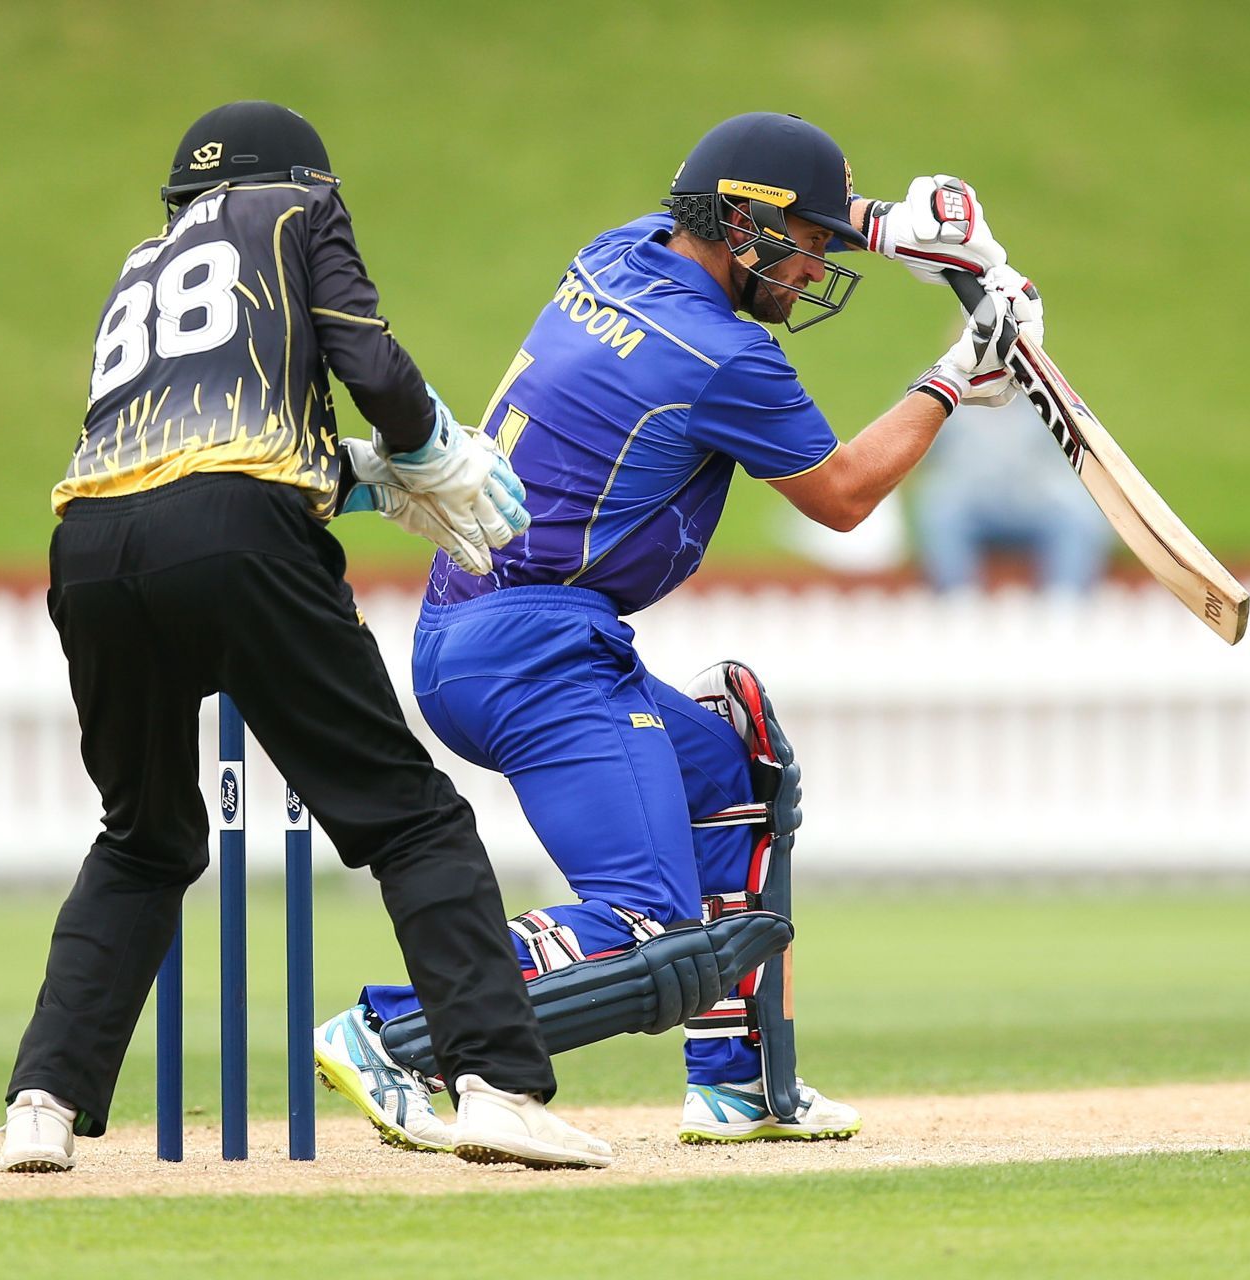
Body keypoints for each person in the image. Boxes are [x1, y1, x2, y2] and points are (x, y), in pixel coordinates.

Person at [311, 112, 1042, 1148]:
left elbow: (755, 205)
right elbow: (840, 497)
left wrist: (902, 226)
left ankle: (738, 1083)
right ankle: (393, 1031)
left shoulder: (619, 251)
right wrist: (957, 372)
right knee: (644, 923)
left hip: (482, 622)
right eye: (810, 247)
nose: (812, 270)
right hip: (537, 650)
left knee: (732, 773)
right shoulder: (724, 355)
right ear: (742, 230)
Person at [0, 100, 612, 1173]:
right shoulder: (295, 212)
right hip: (239, 534)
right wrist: (427, 446)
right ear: (305, 181)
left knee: (142, 836)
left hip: (89, 545)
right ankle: (499, 1087)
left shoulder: (141, 264)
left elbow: (187, 435)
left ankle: (40, 1102)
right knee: (411, 819)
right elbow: (367, 362)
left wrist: (362, 477)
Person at [914, 394, 1114, 593]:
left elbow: (1074, 457)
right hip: (972, 503)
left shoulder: (1046, 393)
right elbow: (915, 445)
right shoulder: (951, 390)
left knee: (1079, 512)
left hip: (1036, 501)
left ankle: (1065, 599)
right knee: (942, 508)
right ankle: (958, 597)